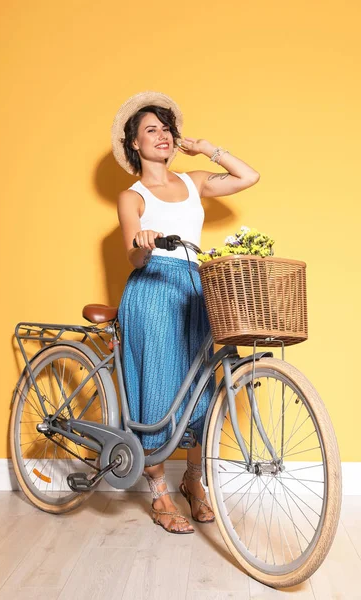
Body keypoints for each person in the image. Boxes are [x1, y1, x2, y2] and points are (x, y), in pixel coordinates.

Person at [111, 91, 260, 534]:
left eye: (166, 129)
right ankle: (158, 491)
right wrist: (144, 243)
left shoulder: (194, 180)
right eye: (150, 130)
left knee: (200, 385)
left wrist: (206, 147)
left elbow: (248, 176)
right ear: (134, 144)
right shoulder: (131, 195)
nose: (163, 136)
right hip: (153, 286)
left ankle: (194, 482)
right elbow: (132, 259)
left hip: (196, 287)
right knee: (156, 383)